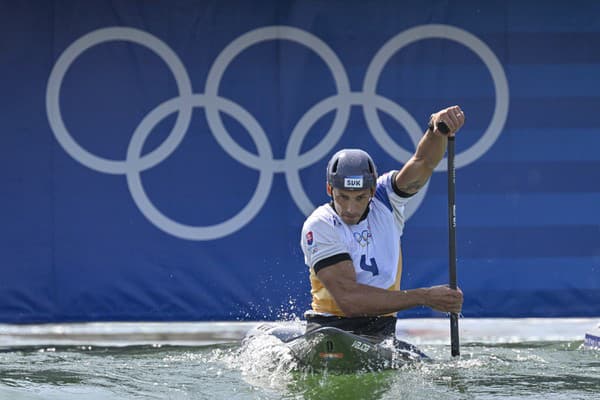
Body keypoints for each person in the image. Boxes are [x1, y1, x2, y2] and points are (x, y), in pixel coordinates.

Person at [300, 105, 465, 343]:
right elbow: (349, 301)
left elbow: (423, 162)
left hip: (382, 332)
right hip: (329, 330)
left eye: (359, 198)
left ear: (372, 190)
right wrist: (425, 297)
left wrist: (435, 130)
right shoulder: (320, 224)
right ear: (329, 189)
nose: (349, 208)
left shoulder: (386, 200)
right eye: (342, 197)